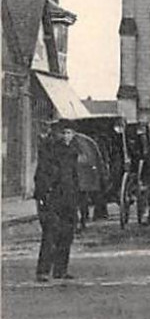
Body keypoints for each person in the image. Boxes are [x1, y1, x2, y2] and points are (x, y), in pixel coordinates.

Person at [34, 119, 80, 282]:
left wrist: (77, 198)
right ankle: (43, 271)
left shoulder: (73, 151)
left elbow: (74, 177)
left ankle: (60, 269)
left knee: (67, 234)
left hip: (69, 197)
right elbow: (42, 174)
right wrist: (42, 195)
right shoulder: (51, 151)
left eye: (70, 133)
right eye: (64, 133)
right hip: (53, 197)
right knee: (51, 233)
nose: (67, 136)